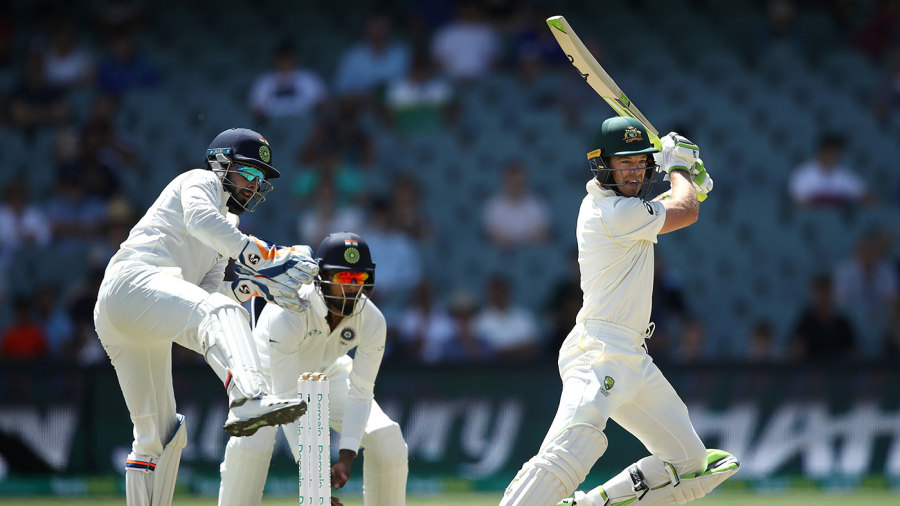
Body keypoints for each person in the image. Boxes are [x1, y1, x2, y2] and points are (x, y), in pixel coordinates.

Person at [499, 117, 738, 506]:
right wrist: (679, 169)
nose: (633, 171)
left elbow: (675, 204)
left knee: (692, 465)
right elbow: (685, 211)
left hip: (632, 358)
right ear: (603, 164)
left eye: (640, 162)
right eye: (623, 163)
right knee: (573, 448)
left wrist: (689, 183)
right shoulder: (609, 213)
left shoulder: (627, 210)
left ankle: (589, 504)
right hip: (598, 352)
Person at [93, 128, 318, 506]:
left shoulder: (230, 228)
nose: (254, 184)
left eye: (260, 179)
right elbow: (200, 221)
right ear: (221, 164)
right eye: (248, 173)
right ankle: (247, 397)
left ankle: (246, 398)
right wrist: (265, 257)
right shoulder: (199, 182)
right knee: (220, 313)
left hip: (134, 315)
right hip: (131, 282)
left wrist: (254, 288)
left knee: (159, 436)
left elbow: (209, 292)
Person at [218, 232, 408, 506]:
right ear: (321, 276)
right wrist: (315, 482)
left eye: (358, 279)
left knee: (386, 438)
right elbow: (285, 398)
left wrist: (346, 457)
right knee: (252, 441)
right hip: (266, 376)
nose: (351, 288)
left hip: (328, 371)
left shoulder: (372, 320)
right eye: (343, 278)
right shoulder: (291, 309)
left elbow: (361, 393)